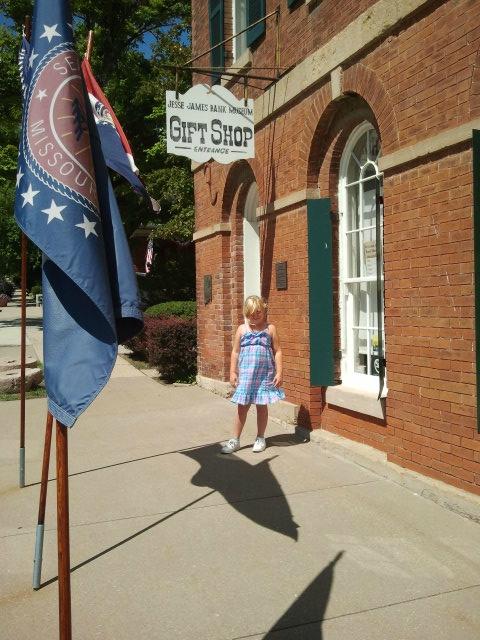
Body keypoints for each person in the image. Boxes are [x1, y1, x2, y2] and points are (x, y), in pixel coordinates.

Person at [222, 295, 285, 454]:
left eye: (258, 312)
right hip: (246, 376)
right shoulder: (242, 329)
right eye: (250, 313)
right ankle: (235, 440)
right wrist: (232, 372)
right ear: (245, 313)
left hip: (264, 376)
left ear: (263, 311)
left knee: (261, 407)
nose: (254, 316)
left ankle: (260, 437)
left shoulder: (270, 329)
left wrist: (279, 372)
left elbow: (277, 351)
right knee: (241, 408)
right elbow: (235, 352)